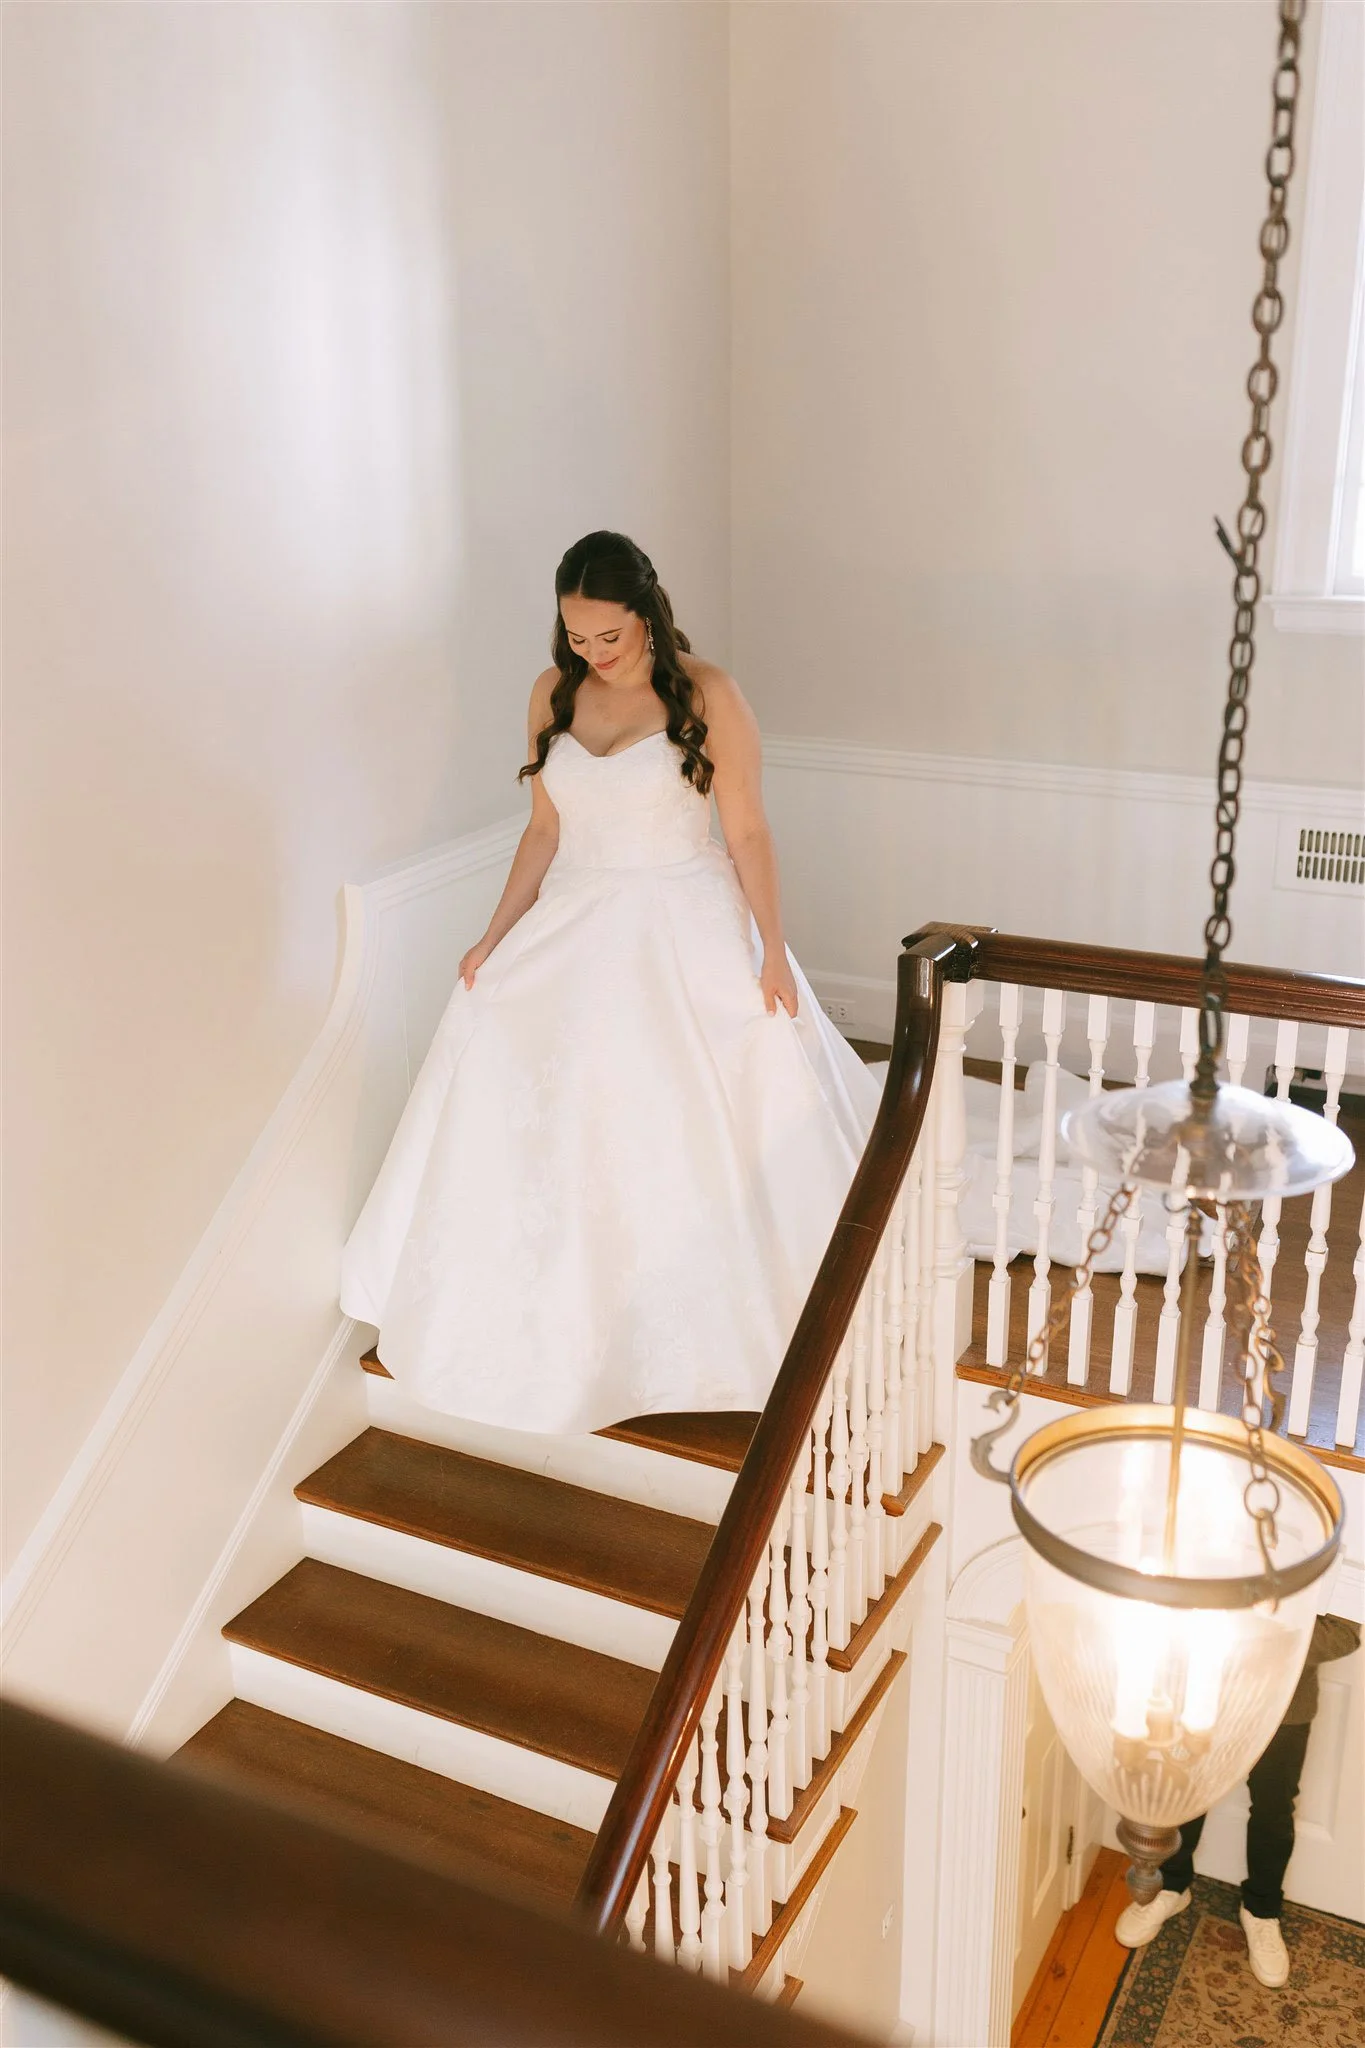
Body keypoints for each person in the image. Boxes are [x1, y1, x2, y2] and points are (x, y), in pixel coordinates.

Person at [339, 531, 882, 1433]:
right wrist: (491, 936)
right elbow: (545, 833)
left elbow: (745, 831)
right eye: (577, 637)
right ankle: (551, 1332)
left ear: (647, 613)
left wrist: (773, 949)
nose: (591, 654)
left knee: (690, 1113)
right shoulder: (551, 694)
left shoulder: (709, 693)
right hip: (576, 919)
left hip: (681, 919)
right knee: (538, 1085)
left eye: (609, 638)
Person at [1115, 1612, 1362, 1986]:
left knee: (1274, 1809)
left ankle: (1262, 1911)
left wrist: (1260, 1636)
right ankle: (1170, 1885)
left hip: (1285, 1708)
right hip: (1206, 1693)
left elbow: (1344, 1634)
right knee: (1186, 1791)